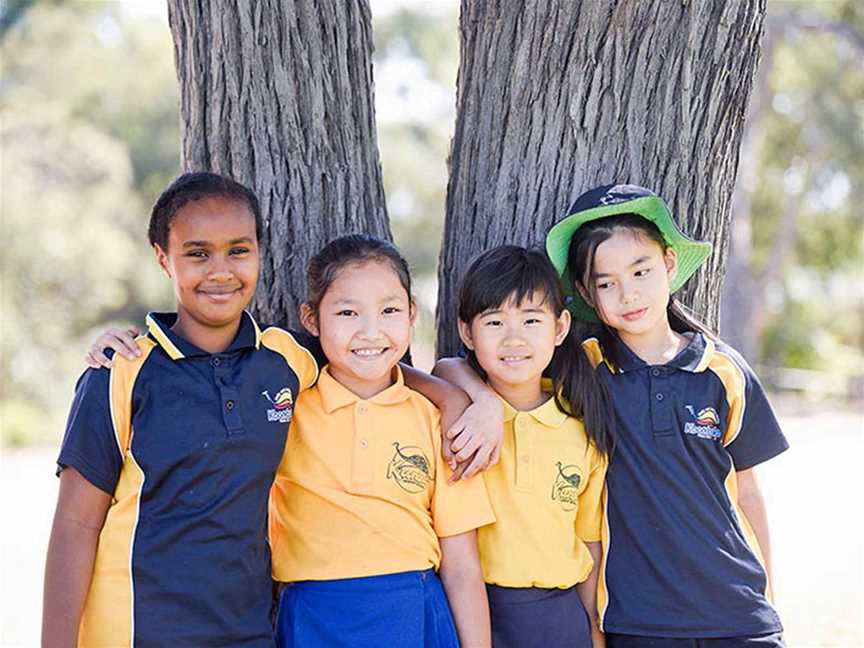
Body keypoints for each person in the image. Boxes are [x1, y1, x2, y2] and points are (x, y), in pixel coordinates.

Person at [439, 184, 788, 647]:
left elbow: (746, 494)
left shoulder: (724, 372)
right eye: (606, 283)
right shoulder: (583, 369)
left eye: (641, 271)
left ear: (668, 264)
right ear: (586, 292)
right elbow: (460, 365)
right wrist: (478, 400)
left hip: (737, 612)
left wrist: (768, 595)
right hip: (638, 619)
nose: (628, 293)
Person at [42, 172, 323, 647]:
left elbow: (370, 363)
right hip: (135, 631)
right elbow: (75, 525)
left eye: (239, 250)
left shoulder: (284, 359)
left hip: (248, 631)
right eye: (197, 253)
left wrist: (467, 393)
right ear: (163, 258)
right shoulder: (121, 373)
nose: (220, 271)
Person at [269, 234, 495, 647]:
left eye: (389, 310)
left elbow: (462, 565)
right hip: (315, 619)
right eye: (348, 313)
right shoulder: (286, 413)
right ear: (312, 318)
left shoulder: (437, 420)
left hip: (414, 614)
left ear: (411, 313)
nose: (371, 332)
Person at [447, 245, 611, 648]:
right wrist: (481, 401)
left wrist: (592, 629)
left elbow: (589, 541)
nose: (513, 339)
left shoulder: (580, 425)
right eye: (495, 322)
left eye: (532, 320)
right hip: (474, 609)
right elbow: (425, 371)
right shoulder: (459, 414)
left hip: (559, 616)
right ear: (467, 332)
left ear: (560, 328)